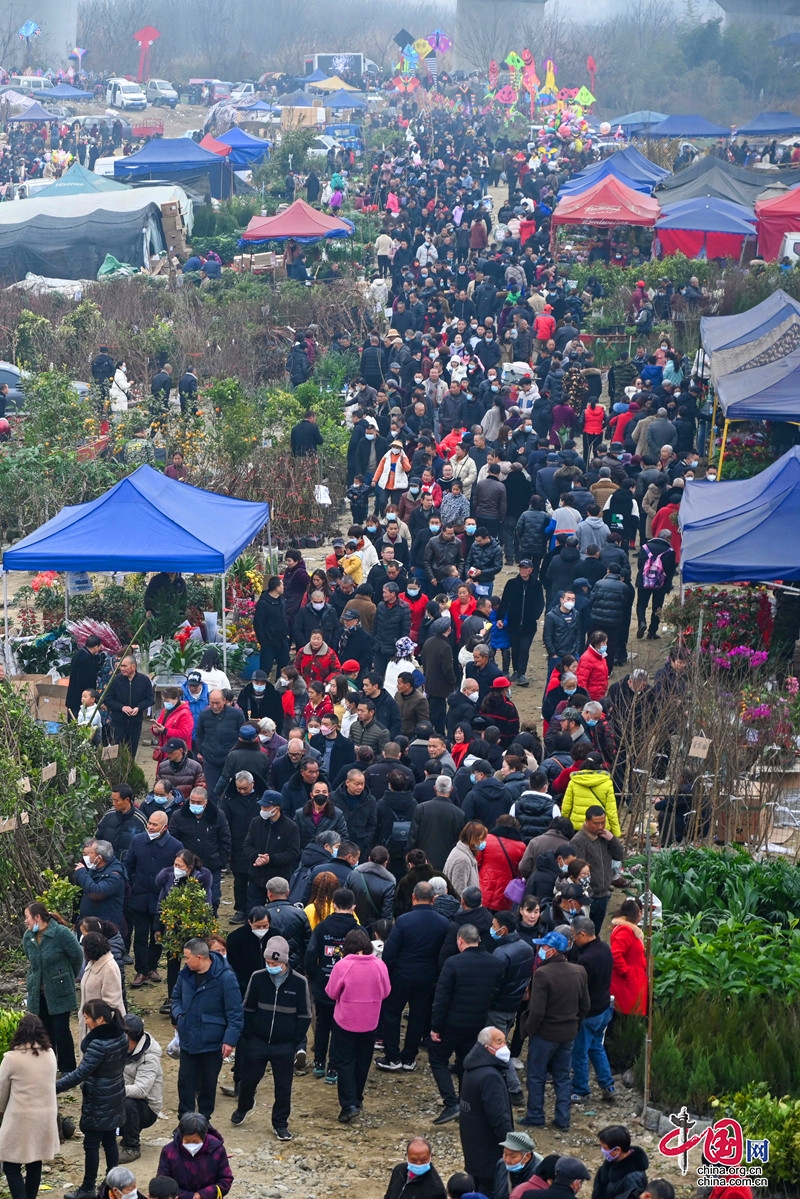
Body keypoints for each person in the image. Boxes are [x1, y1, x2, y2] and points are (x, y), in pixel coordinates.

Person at [233, 935, 312, 1139]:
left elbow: (305, 1015)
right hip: (258, 1041)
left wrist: (294, 1041)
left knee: (283, 1088)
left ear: (284, 961)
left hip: (284, 1045)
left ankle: (280, 1124)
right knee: (248, 1080)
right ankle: (244, 1106)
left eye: (275, 963)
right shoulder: (257, 978)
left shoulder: (299, 982)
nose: (271, 966)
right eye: (268, 962)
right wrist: (249, 1036)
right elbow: (247, 1008)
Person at [428, 924, 504, 1125]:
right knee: (466, 1063)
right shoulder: (494, 963)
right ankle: (466, 1104)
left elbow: (441, 997)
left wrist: (435, 1026)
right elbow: (496, 991)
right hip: (477, 1023)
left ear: (460, 940)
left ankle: (451, 1102)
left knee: (437, 1058)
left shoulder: (453, 963)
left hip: (451, 1023)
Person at [56, 999, 128, 1199]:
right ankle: (112, 1183)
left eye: (87, 1017)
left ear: (100, 1019)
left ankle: (88, 1188)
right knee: (110, 1140)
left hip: (99, 1098)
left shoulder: (98, 1045)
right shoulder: (121, 1036)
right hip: (116, 1093)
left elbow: (80, 1073)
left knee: (92, 1144)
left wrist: (52, 1088)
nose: (85, 1021)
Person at [378, 881, 449, 1072]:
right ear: (434, 899)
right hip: (427, 978)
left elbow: (390, 952)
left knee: (392, 1014)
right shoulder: (443, 923)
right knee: (418, 1017)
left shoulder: (403, 921)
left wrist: (388, 972)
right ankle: (409, 1057)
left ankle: (392, 1056)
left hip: (401, 976)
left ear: (413, 897)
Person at [523, 930, 589, 1133]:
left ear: (552, 951)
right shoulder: (579, 971)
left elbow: (537, 1011)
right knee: (563, 1077)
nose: (539, 950)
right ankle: (563, 1118)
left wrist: (529, 1031)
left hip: (545, 1034)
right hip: (568, 1032)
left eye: (542, 947)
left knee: (536, 1075)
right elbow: (585, 1004)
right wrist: (575, 1025)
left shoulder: (543, 974)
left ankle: (535, 1115)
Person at [170, 937, 244, 1119]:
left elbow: (235, 1012)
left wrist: (229, 1040)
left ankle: (204, 1121)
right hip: (188, 1038)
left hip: (212, 1042)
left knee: (208, 1085)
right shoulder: (185, 974)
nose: (185, 961)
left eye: (187, 957)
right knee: (185, 1083)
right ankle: (185, 1122)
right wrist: (179, 1015)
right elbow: (176, 997)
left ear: (200, 957)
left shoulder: (225, 977)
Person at [326, 927, 391, 1122]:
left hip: (345, 1020)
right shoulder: (379, 965)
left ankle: (348, 1104)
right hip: (370, 1021)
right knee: (363, 1061)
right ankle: (357, 1097)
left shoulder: (343, 965)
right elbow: (386, 991)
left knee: (345, 1062)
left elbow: (331, 993)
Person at [0, 1013, 59, 1199]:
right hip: (46, 1117)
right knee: (35, 1160)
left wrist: (2, 1111)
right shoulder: (50, 1055)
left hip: (21, 1118)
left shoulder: (11, 1058)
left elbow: (1, 1090)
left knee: (10, 1164)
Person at [304, 888, 359, 1083]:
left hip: (324, 983)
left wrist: (313, 975)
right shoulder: (359, 931)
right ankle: (333, 1068)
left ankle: (319, 1063)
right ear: (353, 907)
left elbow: (311, 955)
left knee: (322, 1025)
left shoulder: (322, 927)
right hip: (350, 988)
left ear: (334, 905)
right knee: (340, 1029)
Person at [22, 901, 83, 1072]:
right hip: (38, 991)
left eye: (27, 917)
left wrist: (65, 975)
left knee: (61, 1029)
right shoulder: (28, 936)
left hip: (59, 988)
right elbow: (31, 960)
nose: (26, 921)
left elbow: (77, 956)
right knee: (44, 1030)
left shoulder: (61, 933)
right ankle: (48, 1066)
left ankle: (67, 1068)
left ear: (37, 917)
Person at [458, 1027, 514, 1198]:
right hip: (489, 1151)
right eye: (499, 1042)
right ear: (486, 1046)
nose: (504, 1046)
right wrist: (512, 1146)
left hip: (473, 1147)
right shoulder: (490, 1076)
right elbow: (498, 1118)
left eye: (504, 1041)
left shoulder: (472, 1068)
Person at [570, 916, 616, 1105]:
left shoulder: (586, 960)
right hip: (605, 1007)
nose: (572, 940)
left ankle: (581, 1090)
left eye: (574, 936)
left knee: (580, 1051)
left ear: (583, 934)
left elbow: (579, 990)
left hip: (590, 1013)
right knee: (597, 1047)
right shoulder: (605, 948)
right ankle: (608, 1086)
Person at [169, 788, 231, 913]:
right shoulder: (178, 816)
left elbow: (225, 839)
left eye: (199, 802)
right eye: (192, 801)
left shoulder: (218, 815)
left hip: (212, 866)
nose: (195, 805)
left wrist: (221, 861)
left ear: (206, 802)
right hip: (186, 868)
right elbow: (173, 841)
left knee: (213, 899)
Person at [571, 808, 626, 936]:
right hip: (589, 897)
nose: (600, 826)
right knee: (586, 935)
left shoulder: (604, 837)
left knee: (596, 933)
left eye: (603, 822)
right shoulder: (578, 841)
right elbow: (577, 869)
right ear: (587, 821)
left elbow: (619, 856)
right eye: (596, 823)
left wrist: (612, 839)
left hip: (603, 895)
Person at [243, 792, 301, 909]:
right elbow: (247, 844)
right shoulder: (256, 822)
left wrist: (271, 859)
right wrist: (256, 857)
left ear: (276, 808)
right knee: (254, 911)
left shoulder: (290, 827)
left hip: (278, 879)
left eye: (266, 807)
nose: (263, 809)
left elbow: (293, 852)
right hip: (257, 877)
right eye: (262, 806)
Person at [119, 1013, 162, 1164]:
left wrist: (112, 1090)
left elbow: (141, 1090)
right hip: (121, 1096)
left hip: (146, 1108)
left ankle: (132, 1147)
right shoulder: (120, 1047)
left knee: (128, 1103)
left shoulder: (150, 1057)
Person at [156, 1113, 233, 1197]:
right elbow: (163, 1182)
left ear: (204, 1136)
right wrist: (188, 1196)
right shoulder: (169, 1152)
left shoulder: (217, 1150)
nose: (191, 1144)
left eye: (196, 1142)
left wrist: (203, 1194)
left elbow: (225, 1180)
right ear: (181, 1136)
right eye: (187, 1141)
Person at [498, 561, 544, 687]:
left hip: (529, 625)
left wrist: (535, 615)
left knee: (524, 649)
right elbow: (505, 602)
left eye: (526, 568)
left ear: (531, 569)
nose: (523, 570)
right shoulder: (511, 584)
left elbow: (540, 602)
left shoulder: (536, 585)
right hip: (513, 623)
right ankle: (516, 670)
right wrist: (500, 618)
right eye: (521, 568)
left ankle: (522, 673)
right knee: (515, 648)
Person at [195, 690, 245, 798]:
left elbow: (241, 735)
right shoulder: (204, 715)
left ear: (225, 701)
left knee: (230, 792)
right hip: (210, 759)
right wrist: (201, 751)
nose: (214, 706)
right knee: (212, 793)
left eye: (217, 703)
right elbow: (199, 735)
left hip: (230, 759)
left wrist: (236, 753)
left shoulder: (236, 714)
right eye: (212, 703)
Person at [79, 932, 125, 1044]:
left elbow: (111, 1002)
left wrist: (97, 1022)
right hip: (90, 1021)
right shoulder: (92, 964)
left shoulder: (109, 968)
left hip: (103, 1028)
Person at [104, 655, 154, 758]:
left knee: (131, 752)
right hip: (118, 723)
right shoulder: (115, 680)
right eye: (121, 666)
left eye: (125, 666)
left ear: (134, 666)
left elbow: (150, 699)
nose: (122, 669)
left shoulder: (144, 681)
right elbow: (107, 699)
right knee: (115, 752)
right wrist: (121, 707)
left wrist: (139, 708)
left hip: (135, 723)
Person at [561, 755, 622, 837]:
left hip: (577, 828)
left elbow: (566, 808)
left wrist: (564, 827)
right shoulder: (606, 783)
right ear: (600, 766)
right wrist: (616, 834)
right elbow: (611, 811)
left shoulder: (574, 781)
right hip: (599, 828)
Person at [610, 899, 648, 1018]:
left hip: (632, 980)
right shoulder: (625, 931)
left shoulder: (627, 929)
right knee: (628, 1015)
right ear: (638, 912)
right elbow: (615, 954)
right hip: (628, 984)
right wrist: (627, 972)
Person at [593, 1126, 649, 1199]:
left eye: (605, 1148)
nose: (602, 1151)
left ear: (617, 1150)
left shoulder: (634, 1178)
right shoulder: (612, 1160)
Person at [66, 634, 104, 720]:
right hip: (79, 699)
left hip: (76, 697)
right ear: (95, 647)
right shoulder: (85, 659)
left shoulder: (80, 654)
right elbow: (84, 681)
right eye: (99, 647)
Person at [444, 822, 487, 896]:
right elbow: (459, 891)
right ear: (474, 838)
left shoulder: (463, 852)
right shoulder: (463, 860)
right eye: (482, 839)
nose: (484, 842)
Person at [494, 1132, 540, 1199]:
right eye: (505, 1154)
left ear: (527, 1157)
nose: (507, 1160)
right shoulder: (501, 1164)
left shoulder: (537, 1174)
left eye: (513, 1157)